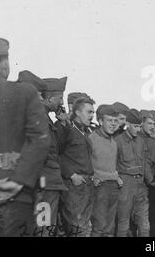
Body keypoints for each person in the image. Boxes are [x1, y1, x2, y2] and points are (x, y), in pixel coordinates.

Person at [0, 37, 50, 237]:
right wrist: (18, 181)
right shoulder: (26, 93)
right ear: (6, 63)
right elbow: (40, 140)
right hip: (18, 196)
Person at [35, 76, 69, 236]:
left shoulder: (46, 119)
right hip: (45, 183)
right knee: (44, 227)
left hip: (49, 182)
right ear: (48, 98)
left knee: (46, 227)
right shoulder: (39, 118)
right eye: (60, 98)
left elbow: (58, 148)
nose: (61, 103)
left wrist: (61, 123)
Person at [59, 97, 96, 237]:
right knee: (77, 226)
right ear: (78, 112)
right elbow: (56, 154)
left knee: (85, 226)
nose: (92, 116)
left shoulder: (85, 132)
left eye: (93, 112)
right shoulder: (67, 130)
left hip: (87, 185)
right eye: (89, 112)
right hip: (74, 186)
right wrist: (72, 175)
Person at [115, 109, 153, 237]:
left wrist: (150, 181)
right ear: (128, 124)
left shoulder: (141, 141)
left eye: (140, 127)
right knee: (123, 224)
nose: (138, 130)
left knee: (144, 224)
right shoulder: (118, 141)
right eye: (136, 126)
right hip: (125, 185)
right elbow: (113, 163)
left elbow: (145, 163)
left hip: (141, 185)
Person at [89, 105, 123, 237]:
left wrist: (117, 177)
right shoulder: (91, 139)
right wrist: (93, 177)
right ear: (100, 121)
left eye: (115, 121)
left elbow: (112, 165)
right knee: (99, 227)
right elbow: (86, 164)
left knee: (110, 227)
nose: (113, 124)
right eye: (109, 120)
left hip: (113, 186)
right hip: (99, 188)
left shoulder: (113, 141)